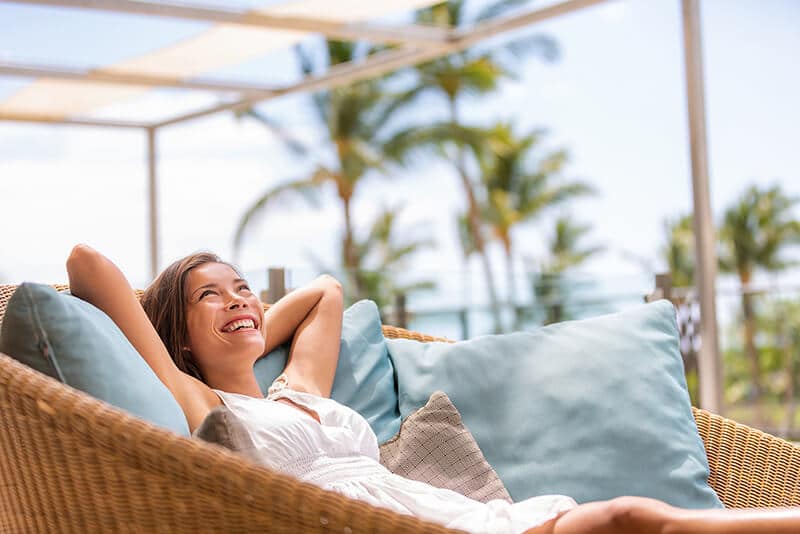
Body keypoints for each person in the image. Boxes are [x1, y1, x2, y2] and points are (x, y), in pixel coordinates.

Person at [66, 244, 800, 534]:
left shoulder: (298, 387)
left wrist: (247, 323)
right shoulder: (200, 404)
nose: (237, 300)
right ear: (177, 337)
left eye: (244, 288)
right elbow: (86, 265)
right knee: (631, 519)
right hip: (372, 525)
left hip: (450, 513)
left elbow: (325, 291)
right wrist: (188, 347)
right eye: (210, 296)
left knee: (632, 521)